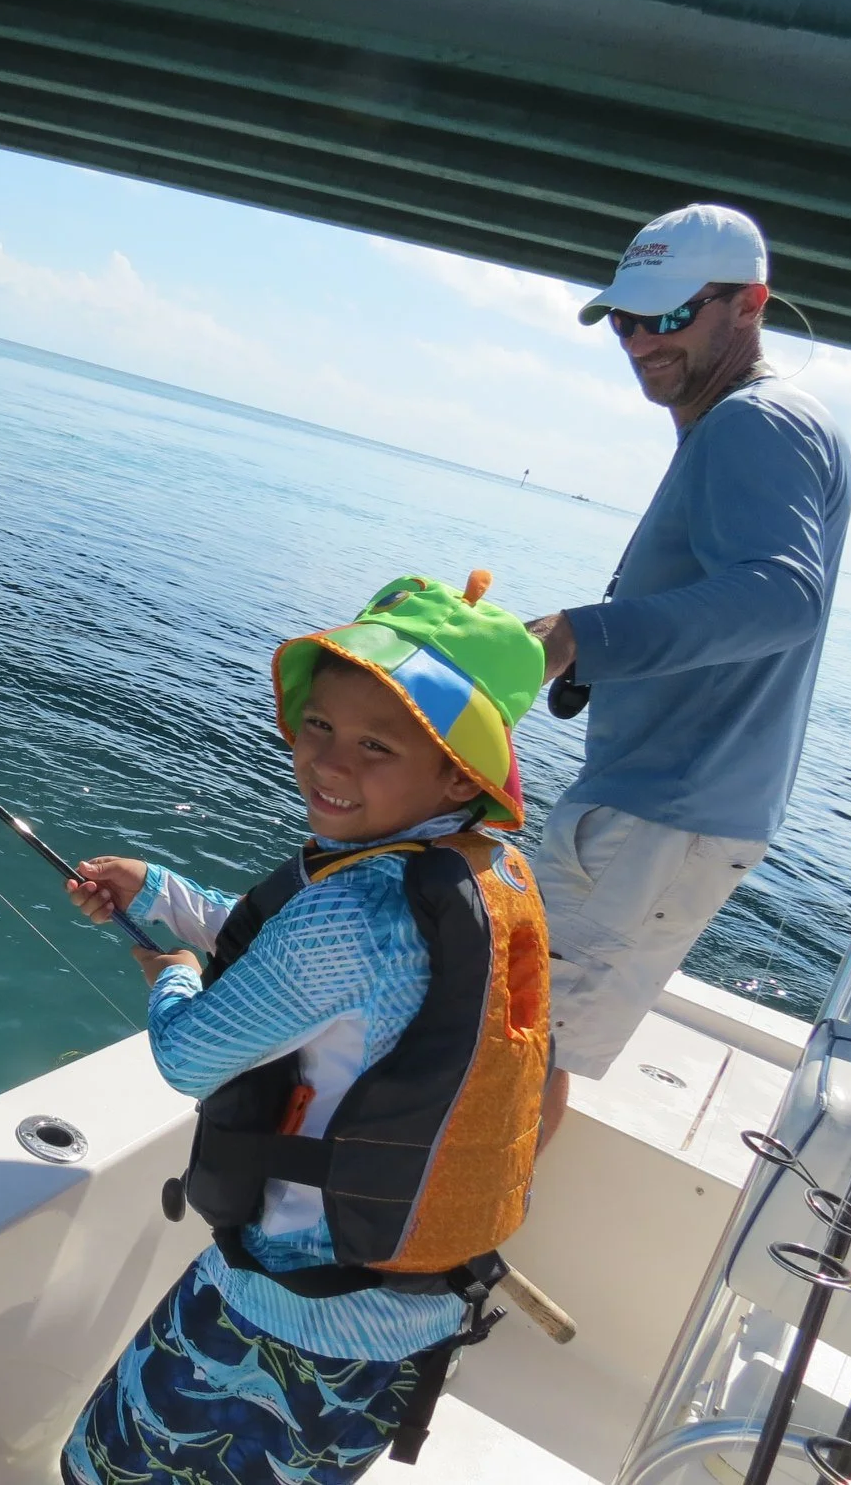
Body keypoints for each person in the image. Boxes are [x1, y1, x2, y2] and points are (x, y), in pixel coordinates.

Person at [58, 572, 549, 1485]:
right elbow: (304, 953)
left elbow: (188, 1055)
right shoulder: (483, 866)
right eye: (319, 725)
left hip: (285, 1317)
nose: (329, 762)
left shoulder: (358, 910)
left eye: (376, 744)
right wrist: (161, 894)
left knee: (96, 1471)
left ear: (455, 768)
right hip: (406, 1324)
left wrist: (173, 976)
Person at [525, 204, 851, 1137]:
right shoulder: (758, 425)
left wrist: (578, 635)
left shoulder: (756, 423)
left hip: (663, 813)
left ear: (748, 304)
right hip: (663, 806)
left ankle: (441, 1263)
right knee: (517, 1032)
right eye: (625, 319)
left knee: (518, 1043)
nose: (639, 341)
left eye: (668, 316)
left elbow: (785, 597)